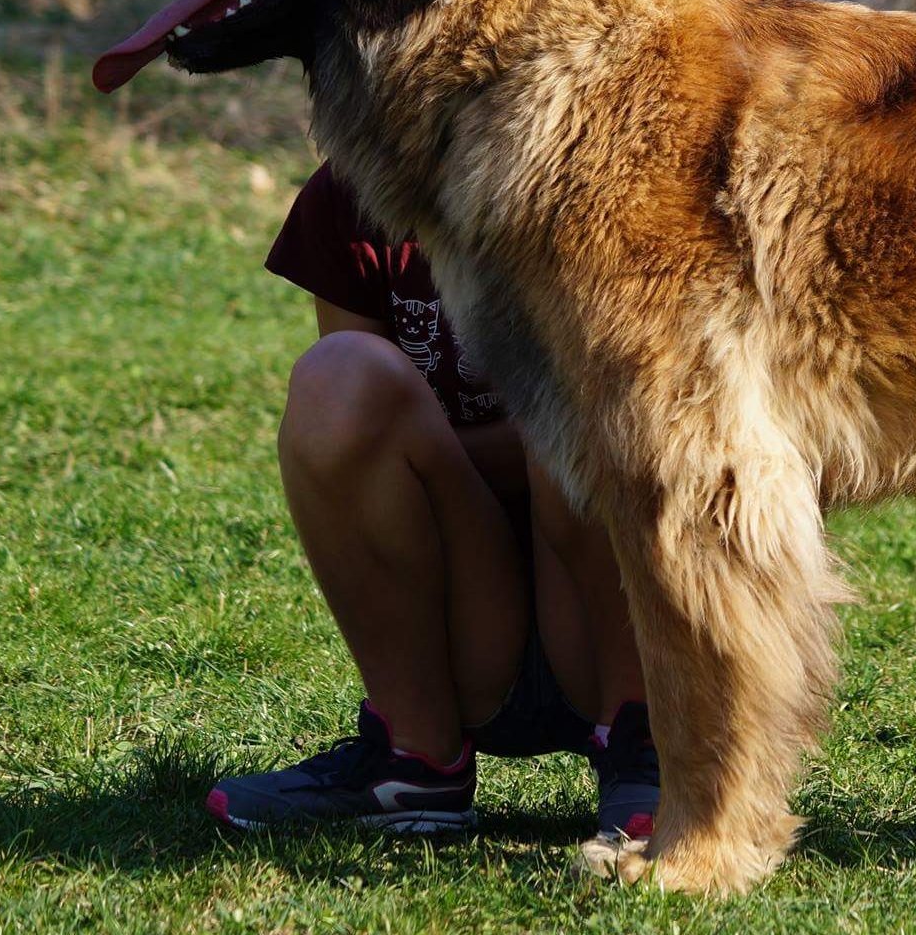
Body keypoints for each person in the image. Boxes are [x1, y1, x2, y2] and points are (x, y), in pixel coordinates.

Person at [202, 162, 657, 840]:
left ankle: (649, 744)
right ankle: (414, 758)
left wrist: (435, 452)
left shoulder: (603, 173)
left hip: (617, 602)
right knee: (338, 377)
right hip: (466, 618)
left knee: (580, 400)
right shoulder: (351, 194)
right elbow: (358, 437)